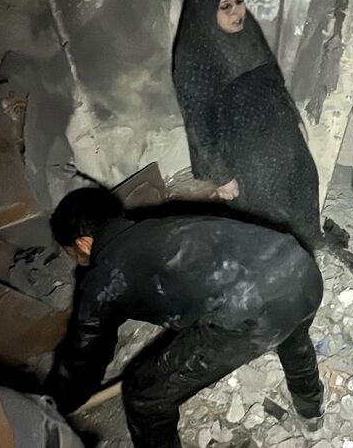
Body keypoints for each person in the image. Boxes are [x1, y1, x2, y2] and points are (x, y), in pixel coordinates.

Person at [43, 188, 324, 448]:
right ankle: (311, 413)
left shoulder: (102, 279)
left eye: (72, 253)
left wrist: (54, 402)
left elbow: (84, 360)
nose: (76, 259)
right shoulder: (163, 225)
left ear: (83, 242)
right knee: (292, 335)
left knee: (145, 396)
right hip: (300, 269)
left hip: (252, 312)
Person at [172, 0, 321, 250]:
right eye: (224, 6)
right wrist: (221, 176)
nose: (236, 12)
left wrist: (295, 118)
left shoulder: (248, 31)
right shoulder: (194, 56)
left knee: (304, 188)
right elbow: (197, 122)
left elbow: (273, 77)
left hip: (282, 136)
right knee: (266, 215)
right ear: (205, 9)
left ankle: (307, 253)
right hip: (245, 153)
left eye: (238, 1)